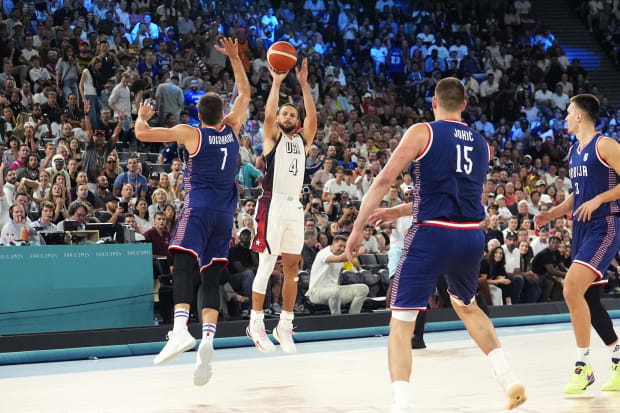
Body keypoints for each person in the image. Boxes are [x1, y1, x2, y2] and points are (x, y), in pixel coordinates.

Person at [345, 78, 526, 412]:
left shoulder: (422, 132)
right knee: (467, 306)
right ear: (464, 106)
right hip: (471, 234)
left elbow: (384, 179)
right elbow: (453, 192)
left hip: (432, 234)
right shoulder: (481, 143)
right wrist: (401, 210)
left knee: (400, 323)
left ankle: (400, 406)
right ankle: (508, 377)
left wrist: (357, 229)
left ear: (434, 103)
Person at [134, 37, 250, 387]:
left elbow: (142, 134)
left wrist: (141, 117)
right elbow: (243, 92)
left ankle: (181, 328)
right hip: (225, 216)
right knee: (212, 278)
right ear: (222, 113)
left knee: (183, 263)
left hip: (198, 209)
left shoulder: (190, 134)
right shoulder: (233, 129)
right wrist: (234, 58)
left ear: (199, 114)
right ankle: (209, 342)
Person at [535, 94, 620, 393]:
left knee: (570, 287)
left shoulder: (605, 145)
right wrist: (552, 214)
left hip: (605, 225)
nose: (566, 117)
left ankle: (583, 366)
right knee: (591, 302)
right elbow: (578, 195)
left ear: (581, 116)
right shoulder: (574, 151)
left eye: (569, 112)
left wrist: (600, 198)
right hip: (581, 228)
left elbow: (599, 194)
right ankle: (618, 357)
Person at [246, 58, 317, 354]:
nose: (287, 115)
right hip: (271, 204)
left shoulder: (303, 139)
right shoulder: (272, 138)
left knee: (293, 269)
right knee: (266, 264)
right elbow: (268, 115)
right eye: (284, 113)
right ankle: (256, 322)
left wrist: (303, 83)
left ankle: (285, 324)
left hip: (294, 207)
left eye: (292, 113)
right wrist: (276, 82)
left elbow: (312, 118)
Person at [306, 235, 367, 314]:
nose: (342, 249)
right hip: (316, 292)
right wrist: (359, 252)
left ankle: (353, 316)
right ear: (333, 244)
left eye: (344, 247)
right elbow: (338, 259)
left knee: (363, 288)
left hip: (334, 290)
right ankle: (337, 319)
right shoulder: (323, 253)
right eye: (340, 246)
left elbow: (355, 269)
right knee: (334, 292)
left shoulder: (342, 253)